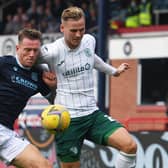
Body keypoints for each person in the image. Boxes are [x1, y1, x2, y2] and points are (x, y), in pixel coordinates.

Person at [39, 6, 137, 168]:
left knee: (129, 146)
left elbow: (93, 59)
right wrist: (44, 73)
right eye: (73, 30)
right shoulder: (52, 51)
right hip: (67, 120)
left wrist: (114, 72)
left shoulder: (89, 40)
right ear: (62, 28)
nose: (78, 35)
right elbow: (28, 60)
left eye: (81, 29)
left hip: (93, 115)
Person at [0, 28, 56, 168]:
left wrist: (52, 87)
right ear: (18, 48)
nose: (31, 54)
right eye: (27, 50)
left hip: (6, 133)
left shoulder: (39, 75)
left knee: (44, 166)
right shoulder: (4, 64)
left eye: (35, 50)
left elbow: (54, 103)